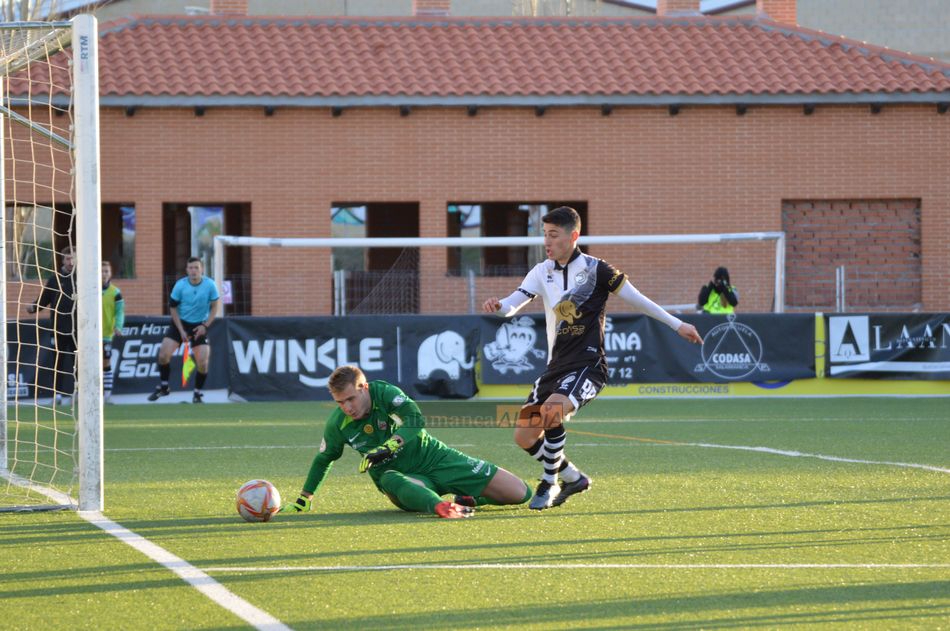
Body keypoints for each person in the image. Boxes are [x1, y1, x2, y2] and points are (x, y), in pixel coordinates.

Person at [483, 206, 704, 510]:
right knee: (523, 436)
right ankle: (573, 477)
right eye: (544, 235)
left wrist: (678, 324)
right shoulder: (541, 270)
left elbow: (638, 299)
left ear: (573, 236)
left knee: (551, 412)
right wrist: (498, 306)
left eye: (553, 235)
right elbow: (512, 306)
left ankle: (549, 482)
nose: (546, 242)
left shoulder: (597, 270)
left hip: (588, 366)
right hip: (555, 367)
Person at [281, 365, 532, 519]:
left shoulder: (384, 393)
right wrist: (305, 499)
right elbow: (324, 458)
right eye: (340, 402)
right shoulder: (338, 424)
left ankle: (469, 500)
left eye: (350, 399)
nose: (346, 407)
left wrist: (389, 446)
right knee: (389, 477)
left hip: (434, 457)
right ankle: (440, 506)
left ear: (364, 387)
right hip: (402, 480)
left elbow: (415, 419)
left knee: (521, 493)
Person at [147, 256, 219, 403]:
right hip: (180, 323)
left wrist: (205, 326)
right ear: (187, 270)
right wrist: (180, 330)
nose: (193, 271)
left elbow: (215, 307)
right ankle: (164, 387)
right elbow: (172, 307)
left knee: (203, 362)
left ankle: (197, 394)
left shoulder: (210, 285)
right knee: (163, 355)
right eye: (190, 268)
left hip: (199, 325)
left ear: (202, 270)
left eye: (196, 268)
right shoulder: (180, 285)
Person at [26, 246, 76, 403]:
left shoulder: (83, 277)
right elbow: (45, 299)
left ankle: (80, 394)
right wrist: (33, 307)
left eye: (74, 258)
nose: (71, 261)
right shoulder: (55, 278)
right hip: (58, 328)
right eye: (68, 258)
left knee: (79, 363)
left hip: (78, 329)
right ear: (63, 260)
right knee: (58, 362)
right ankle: (58, 395)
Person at [102, 261, 125, 400]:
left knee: (106, 362)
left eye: (106, 271)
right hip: (90, 334)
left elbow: (120, 312)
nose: (104, 274)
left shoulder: (115, 292)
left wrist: (118, 326)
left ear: (110, 274)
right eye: (101, 271)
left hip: (106, 334)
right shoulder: (90, 289)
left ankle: (107, 395)